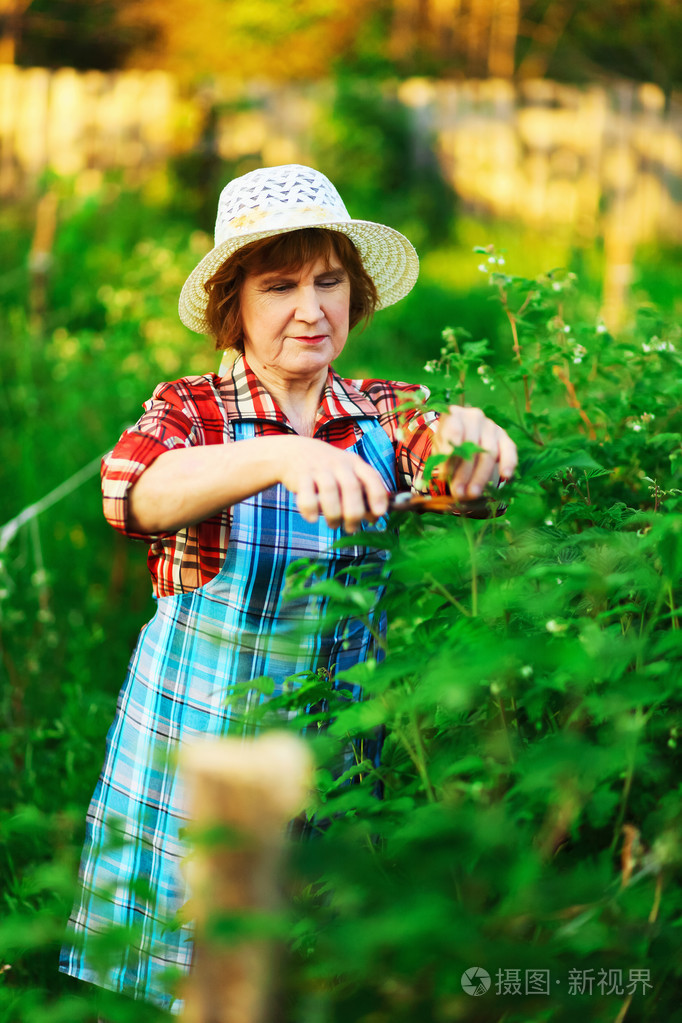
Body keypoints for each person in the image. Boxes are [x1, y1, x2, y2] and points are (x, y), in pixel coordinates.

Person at [60, 164, 517, 1013]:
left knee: (307, 973)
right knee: (194, 971)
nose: (312, 308)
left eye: (329, 281)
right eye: (281, 286)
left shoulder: (382, 410)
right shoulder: (193, 413)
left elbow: (451, 466)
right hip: (203, 747)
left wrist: (473, 444)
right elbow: (131, 492)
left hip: (333, 750)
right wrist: (282, 454)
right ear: (235, 304)